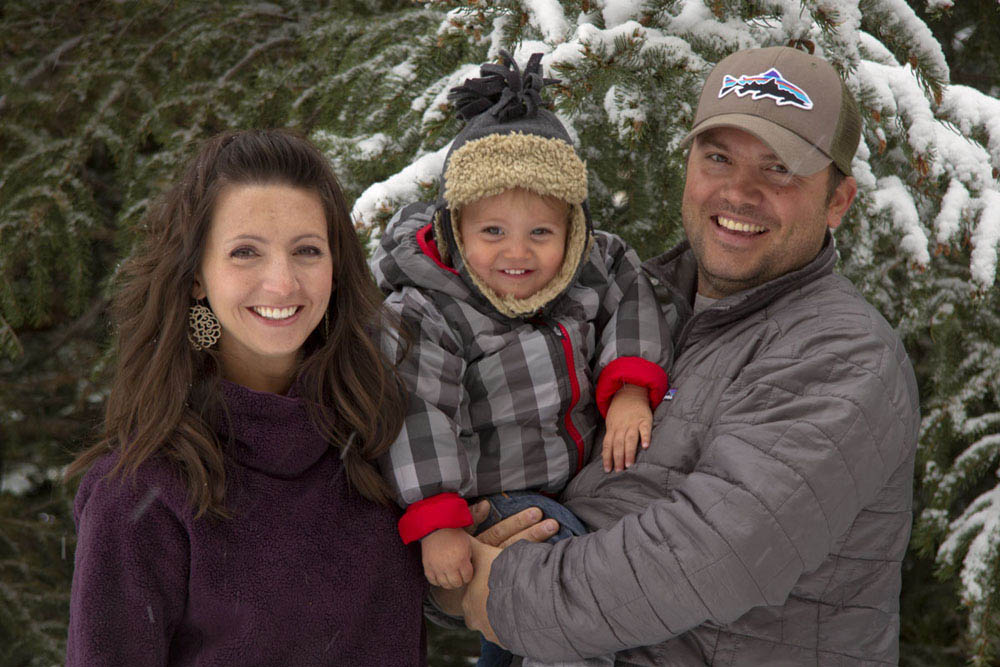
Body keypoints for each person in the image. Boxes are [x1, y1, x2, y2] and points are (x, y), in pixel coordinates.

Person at [455, 46, 921, 666]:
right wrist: (455, 552)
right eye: (718, 157)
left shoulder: (843, 354)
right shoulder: (624, 306)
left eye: (779, 169)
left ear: (839, 200)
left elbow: (712, 555)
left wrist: (501, 589)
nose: (739, 191)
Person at [65, 129, 426, 666]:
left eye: (306, 250)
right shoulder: (142, 491)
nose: (281, 284)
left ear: (336, 267)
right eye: (245, 252)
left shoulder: (387, 436)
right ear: (196, 278)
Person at [370, 52, 673, 666]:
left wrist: (632, 392)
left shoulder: (594, 266)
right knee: (561, 576)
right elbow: (416, 412)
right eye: (492, 233)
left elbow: (633, 299)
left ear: (573, 230)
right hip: (493, 497)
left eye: (541, 232)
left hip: (578, 479)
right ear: (455, 231)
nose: (518, 253)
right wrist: (438, 519)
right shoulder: (430, 311)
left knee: (511, 640)